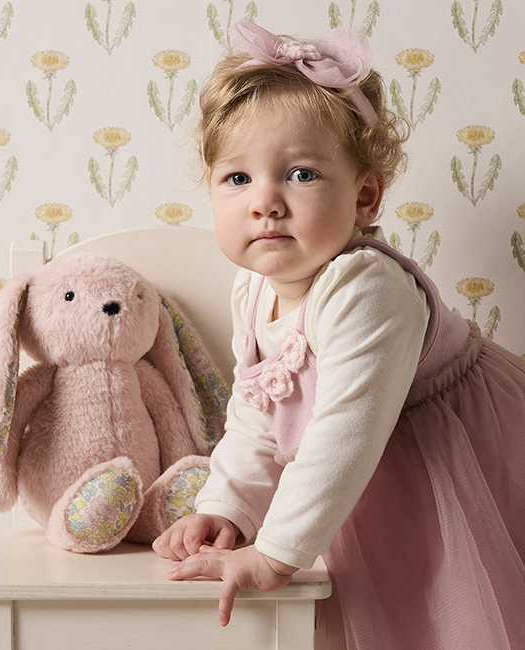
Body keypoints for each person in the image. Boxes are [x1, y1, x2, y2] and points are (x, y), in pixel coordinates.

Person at [152, 19, 525, 650]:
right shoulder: (253, 288)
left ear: (366, 198)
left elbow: (342, 433)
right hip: (364, 468)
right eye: (238, 179)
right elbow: (257, 417)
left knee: (452, 608)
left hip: (449, 453)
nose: (265, 202)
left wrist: (274, 552)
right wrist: (225, 507)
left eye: (300, 174)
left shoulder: (365, 288)